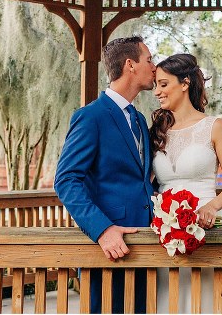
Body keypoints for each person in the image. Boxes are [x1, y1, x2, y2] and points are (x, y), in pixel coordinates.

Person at [54, 36, 157, 314]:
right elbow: (66, 180)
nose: (154, 67)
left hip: (146, 244)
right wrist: (102, 229)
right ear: (130, 65)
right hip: (110, 248)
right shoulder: (91, 116)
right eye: (149, 60)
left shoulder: (139, 119)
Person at [150, 53, 222, 313]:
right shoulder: (158, 130)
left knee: (206, 302)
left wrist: (212, 207)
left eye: (163, 84)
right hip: (164, 230)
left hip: (206, 228)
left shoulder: (214, 127)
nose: (157, 91)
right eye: (156, 85)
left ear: (185, 83)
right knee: (167, 302)